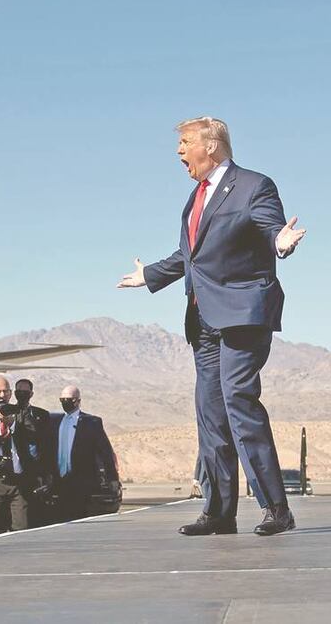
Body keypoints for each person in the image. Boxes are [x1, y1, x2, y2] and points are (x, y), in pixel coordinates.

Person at [117, 116, 306, 536]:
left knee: (238, 397)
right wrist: (149, 274)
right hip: (202, 320)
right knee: (210, 412)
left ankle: (277, 508)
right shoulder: (194, 197)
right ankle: (219, 511)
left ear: (212, 146)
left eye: (185, 143)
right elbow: (191, 256)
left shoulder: (254, 185)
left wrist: (280, 241)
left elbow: (270, 227)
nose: (179, 152)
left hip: (242, 311)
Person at [0, 375, 55, 534]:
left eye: (6, 391)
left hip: (18, 479)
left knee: (23, 526)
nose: (2, 395)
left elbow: (34, 433)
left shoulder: (20, 412)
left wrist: (11, 423)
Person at [51, 386, 118, 523]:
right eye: (62, 399)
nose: (65, 402)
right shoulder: (55, 422)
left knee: (79, 518)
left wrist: (112, 478)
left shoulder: (91, 423)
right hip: (58, 480)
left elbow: (104, 451)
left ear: (78, 401)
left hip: (81, 481)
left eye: (69, 399)